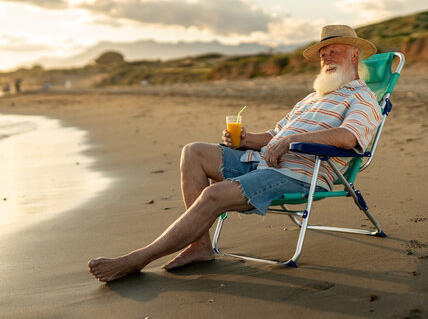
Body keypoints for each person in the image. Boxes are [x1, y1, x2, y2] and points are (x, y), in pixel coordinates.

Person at [88, 25, 382, 282]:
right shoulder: (311, 99)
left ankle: (137, 259)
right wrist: (244, 140)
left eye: (334, 51)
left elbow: (348, 137)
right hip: (260, 162)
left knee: (213, 196)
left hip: (299, 173)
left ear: (354, 55)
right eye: (323, 53)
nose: (326, 58)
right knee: (193, 152)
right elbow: (273, 136)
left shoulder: (363, 98)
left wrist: (290, 140)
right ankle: (200, 246)